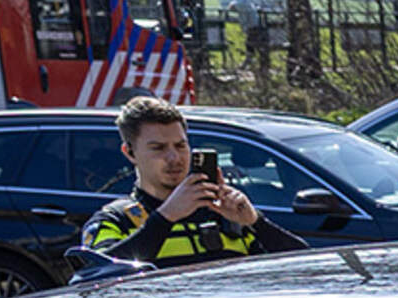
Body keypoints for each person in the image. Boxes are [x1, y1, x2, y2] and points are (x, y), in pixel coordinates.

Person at [75, 94, 302, 273]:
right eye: (158, 148)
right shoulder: (116, 221)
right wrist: (165, 218)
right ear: (130, 153)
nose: (174, 158)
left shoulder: (224, 214)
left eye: (180, 146)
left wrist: (256, 222)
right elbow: (96, 275)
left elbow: (303, 268)